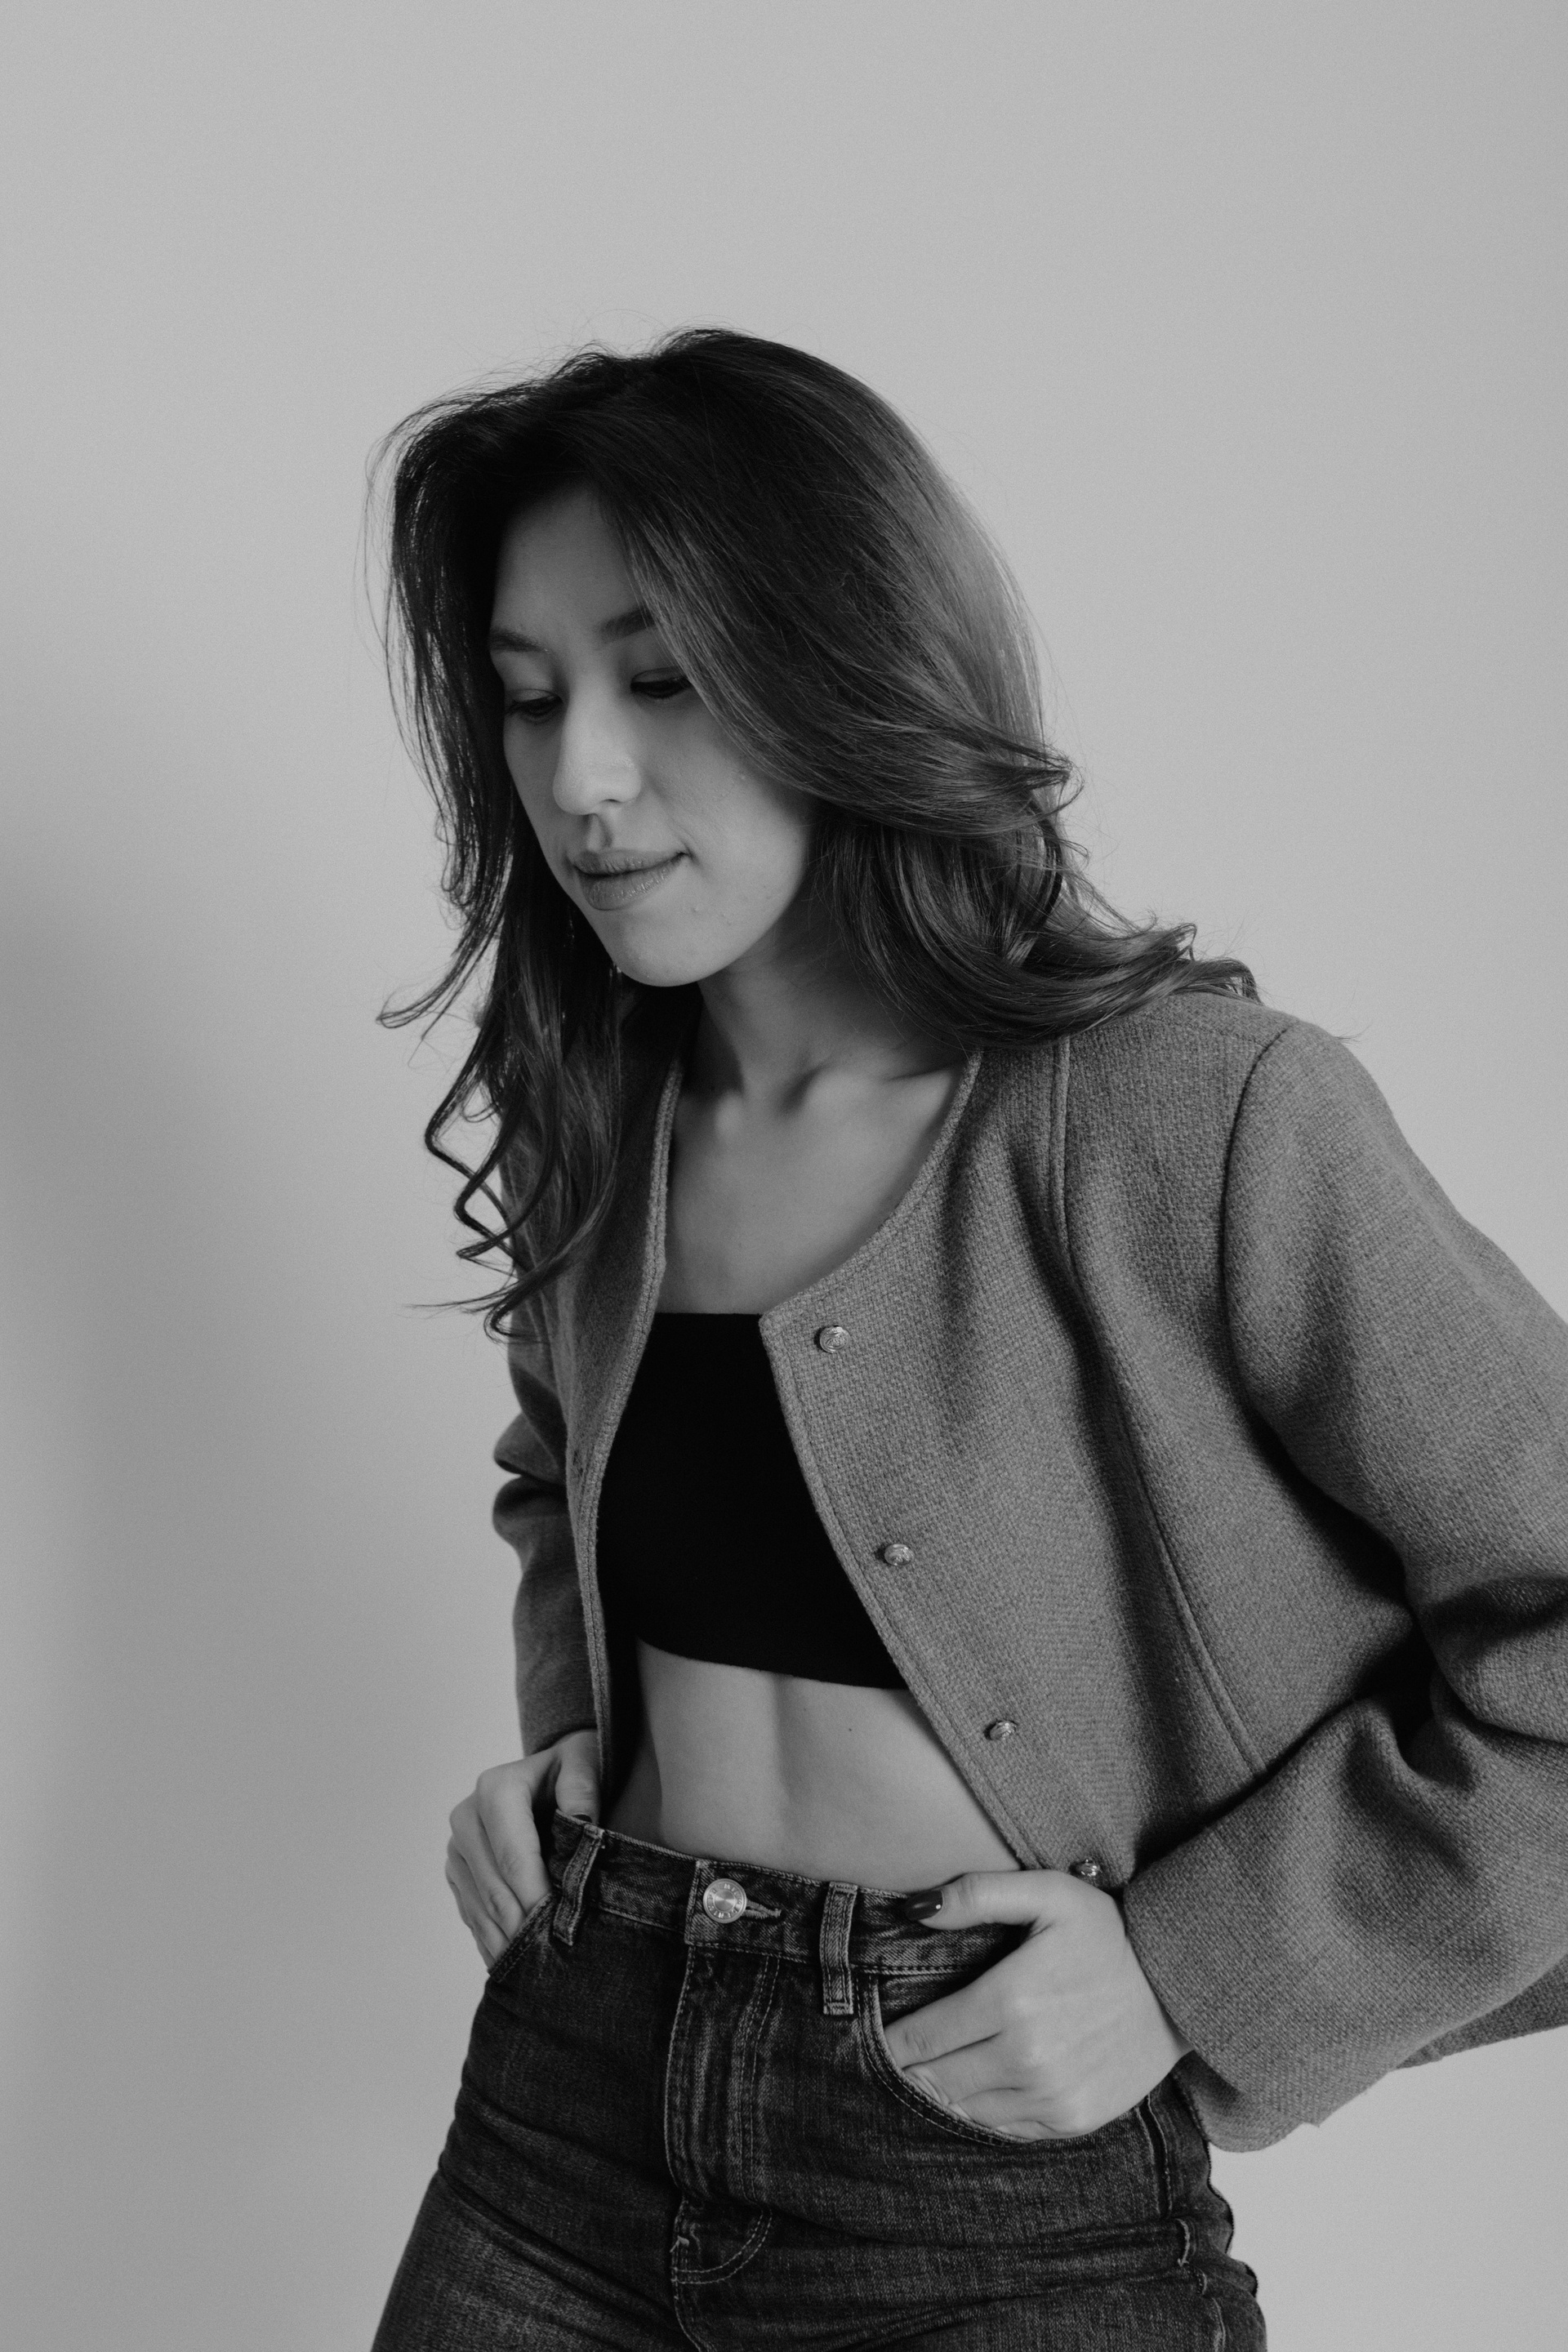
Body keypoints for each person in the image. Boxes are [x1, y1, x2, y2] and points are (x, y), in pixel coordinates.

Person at [367, 327, 1568, 2350]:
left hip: (984, 2164)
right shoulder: (604, 1119)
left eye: (664, 680)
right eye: (529, 693)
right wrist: (576, 1741)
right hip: (563, 2099)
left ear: (844, 672)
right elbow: (558, 1473)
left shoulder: (1197, 1120)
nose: (580, 779)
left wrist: (1191, 1973)